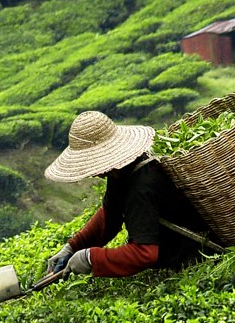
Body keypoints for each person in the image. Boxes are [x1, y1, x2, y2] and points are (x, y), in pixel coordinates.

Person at [43, 110, 213, 277]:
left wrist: (90, 258)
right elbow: (110, 216)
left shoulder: (141, 186)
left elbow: (144, 254)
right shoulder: (123, 169)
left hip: (194, 254)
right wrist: (73, 247)